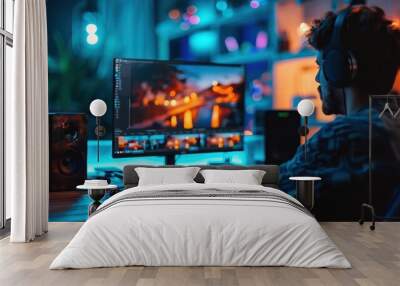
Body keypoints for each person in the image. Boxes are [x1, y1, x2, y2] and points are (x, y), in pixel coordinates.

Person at [279, 4, 400, 220]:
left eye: (320, 67)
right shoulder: (391, 122)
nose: (317, 79)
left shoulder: (345, 134)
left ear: (340, 68)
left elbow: (276, 193)